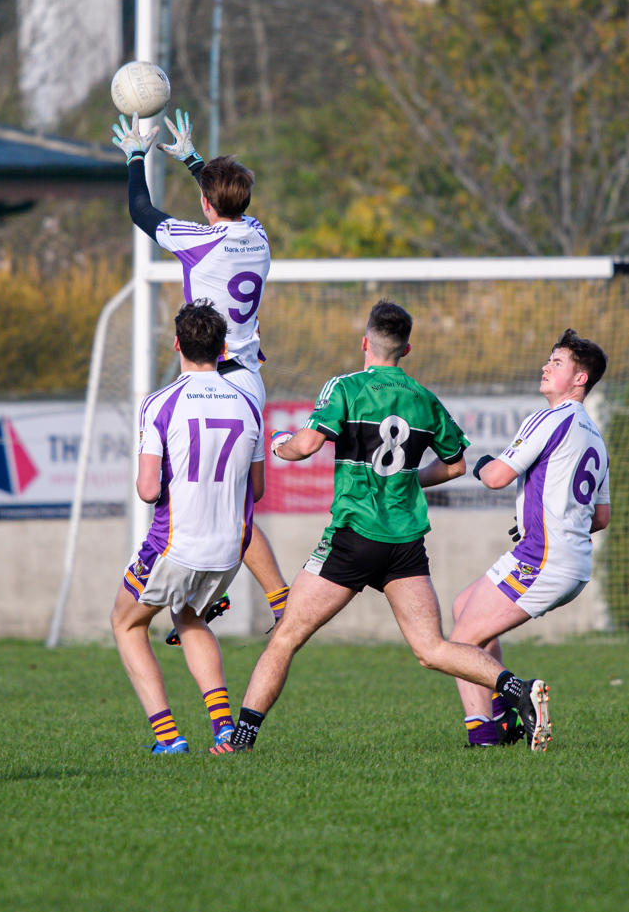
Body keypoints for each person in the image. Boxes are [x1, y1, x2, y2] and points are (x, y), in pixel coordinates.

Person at [210, 300, 551, 755]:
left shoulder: (346, 387)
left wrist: (277, 443)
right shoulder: (425, 399)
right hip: (404, 543)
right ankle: (517, 688)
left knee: (287, 636)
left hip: (353, 538)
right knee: (431, 648)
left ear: (365, 342)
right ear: (406, 349)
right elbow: (455, 466)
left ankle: (241, 740)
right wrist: (410, 478)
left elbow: (305, 446)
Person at [111, 108, 289, 627]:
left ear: (207, 204)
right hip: (249, 376)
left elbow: (141, 210)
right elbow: (225, 206)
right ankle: (215, 595)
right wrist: (193, 160)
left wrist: (136, 157)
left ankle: (273, 598)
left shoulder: (200, 240)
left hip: (216, 373)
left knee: (212, 495)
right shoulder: (258, 235)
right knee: (224, 495)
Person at [110, 299, 265, 753]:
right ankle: (221, 727)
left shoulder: (160, 403)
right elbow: (255, 490)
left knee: (126, 624)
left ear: (177, 343)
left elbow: (146, 489)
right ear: (222, 349)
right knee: (189, 615)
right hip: (229, 550)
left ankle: (168, 738)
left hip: (177, 544)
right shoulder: (248, 403)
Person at [450, 329, 610, 748]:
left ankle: (489, 731)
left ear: (580, 379)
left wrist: (481, 462)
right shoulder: (593, 433)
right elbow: (602, 517)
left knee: (459, 644)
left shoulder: (553, 417)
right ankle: (503, 719)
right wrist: (546, 520)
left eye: (557, 363)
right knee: (462, 606)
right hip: (565, 560)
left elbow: (496, 477)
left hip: (543, 559)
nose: (545, 366)